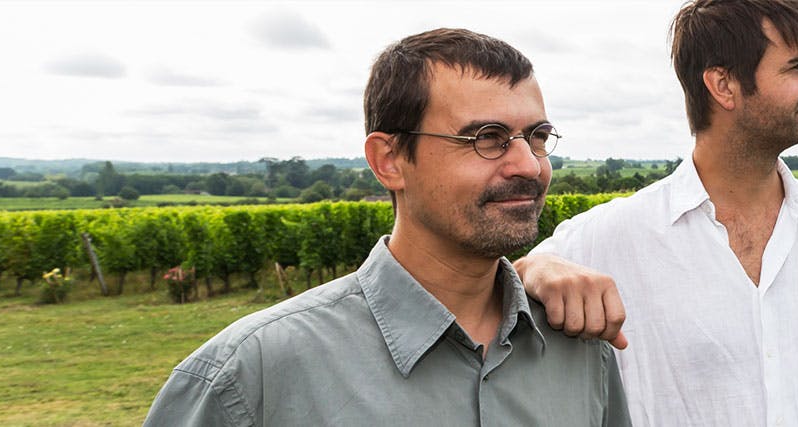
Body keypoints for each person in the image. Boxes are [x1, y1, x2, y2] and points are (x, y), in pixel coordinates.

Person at [144, 28, 629, 426]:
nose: (529, 164)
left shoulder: (582, 352)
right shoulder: (253, 375)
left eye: (538, 136)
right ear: (390, 160)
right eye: (488, 138)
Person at [515, 0, 798, 425]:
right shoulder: (613, 236)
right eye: (796, 67)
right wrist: (536, 267)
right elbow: (506, 285)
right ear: (723, 85)